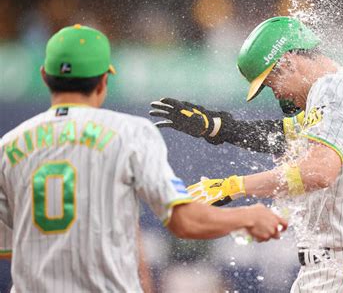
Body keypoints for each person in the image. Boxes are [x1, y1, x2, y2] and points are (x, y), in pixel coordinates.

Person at [0, 24, 287, 292]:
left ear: (44, 75)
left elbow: (10, 246)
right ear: (103, 80)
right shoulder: (130, 134)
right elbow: (183, 221)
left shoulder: (7, 146)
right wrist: (246, 216)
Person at [150, 16, 343, 292]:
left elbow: (317, 172)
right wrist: (217, 127)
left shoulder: (333, 86)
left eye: (270, 84)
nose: (277, 95)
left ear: (288, 62)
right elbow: (284, 135)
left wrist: (234, 186)